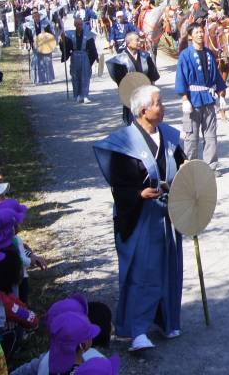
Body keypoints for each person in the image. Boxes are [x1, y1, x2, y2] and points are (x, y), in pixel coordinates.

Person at [92, 85, 185, 352]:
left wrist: (181, 188)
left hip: (166, 215)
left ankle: (167, 320)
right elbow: (118, 185)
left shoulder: (169, 136)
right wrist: (137, 193)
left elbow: (184, 167)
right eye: (158, 103)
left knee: (168, 267)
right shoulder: (125, 143)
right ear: (143, 111)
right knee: (141, 272)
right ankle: (137, 331)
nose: (163, 107)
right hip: (140, 217)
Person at [175, 24, 227, 175]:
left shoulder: (210, 53)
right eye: (196, 32)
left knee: (211, 134)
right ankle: (190, 168)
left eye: (201, 32)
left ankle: (211, 166)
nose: (199, 34)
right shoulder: (185, 55)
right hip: (192, 99)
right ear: (190, 36)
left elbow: (217, 76)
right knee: (191, 136)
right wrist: (184, 99)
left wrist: (221, 96)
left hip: (209, 99)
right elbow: (181, 77)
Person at [106, 32, 160, 125]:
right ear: (128, 43)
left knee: (147, 120)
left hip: (145, 93)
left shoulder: (145, 56)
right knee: (132, 122)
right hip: (130, 95)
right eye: (137, 40)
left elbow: (152, 76)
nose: (140, 42)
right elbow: (120, 80)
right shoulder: (120, 59)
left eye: (139, 40)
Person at [61, 17, 99, 104]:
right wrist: (63, 40)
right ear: (75, 25)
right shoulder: (71, 35)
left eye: (81, 24)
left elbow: (92, 47)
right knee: (75, 76)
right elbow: (67, 46)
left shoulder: (88, 35)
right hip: (75, 56)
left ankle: (85, 95)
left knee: (85, 76)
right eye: (77, 24)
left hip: (84, 55)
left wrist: (96, 57)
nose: (79, 26)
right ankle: (77, 95)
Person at [23, 10, 56, 85]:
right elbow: (26, 36)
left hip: (46, 45)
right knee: (36, 62)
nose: (37, 18)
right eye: (35, 17)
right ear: (33, 18)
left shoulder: (45, 25)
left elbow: (50, 35)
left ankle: (48, 78)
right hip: (35, 46)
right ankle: (38, 79)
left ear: (40, 17)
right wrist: (27, 44)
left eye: (38, 16)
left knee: (47, 61)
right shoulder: (29, 26)